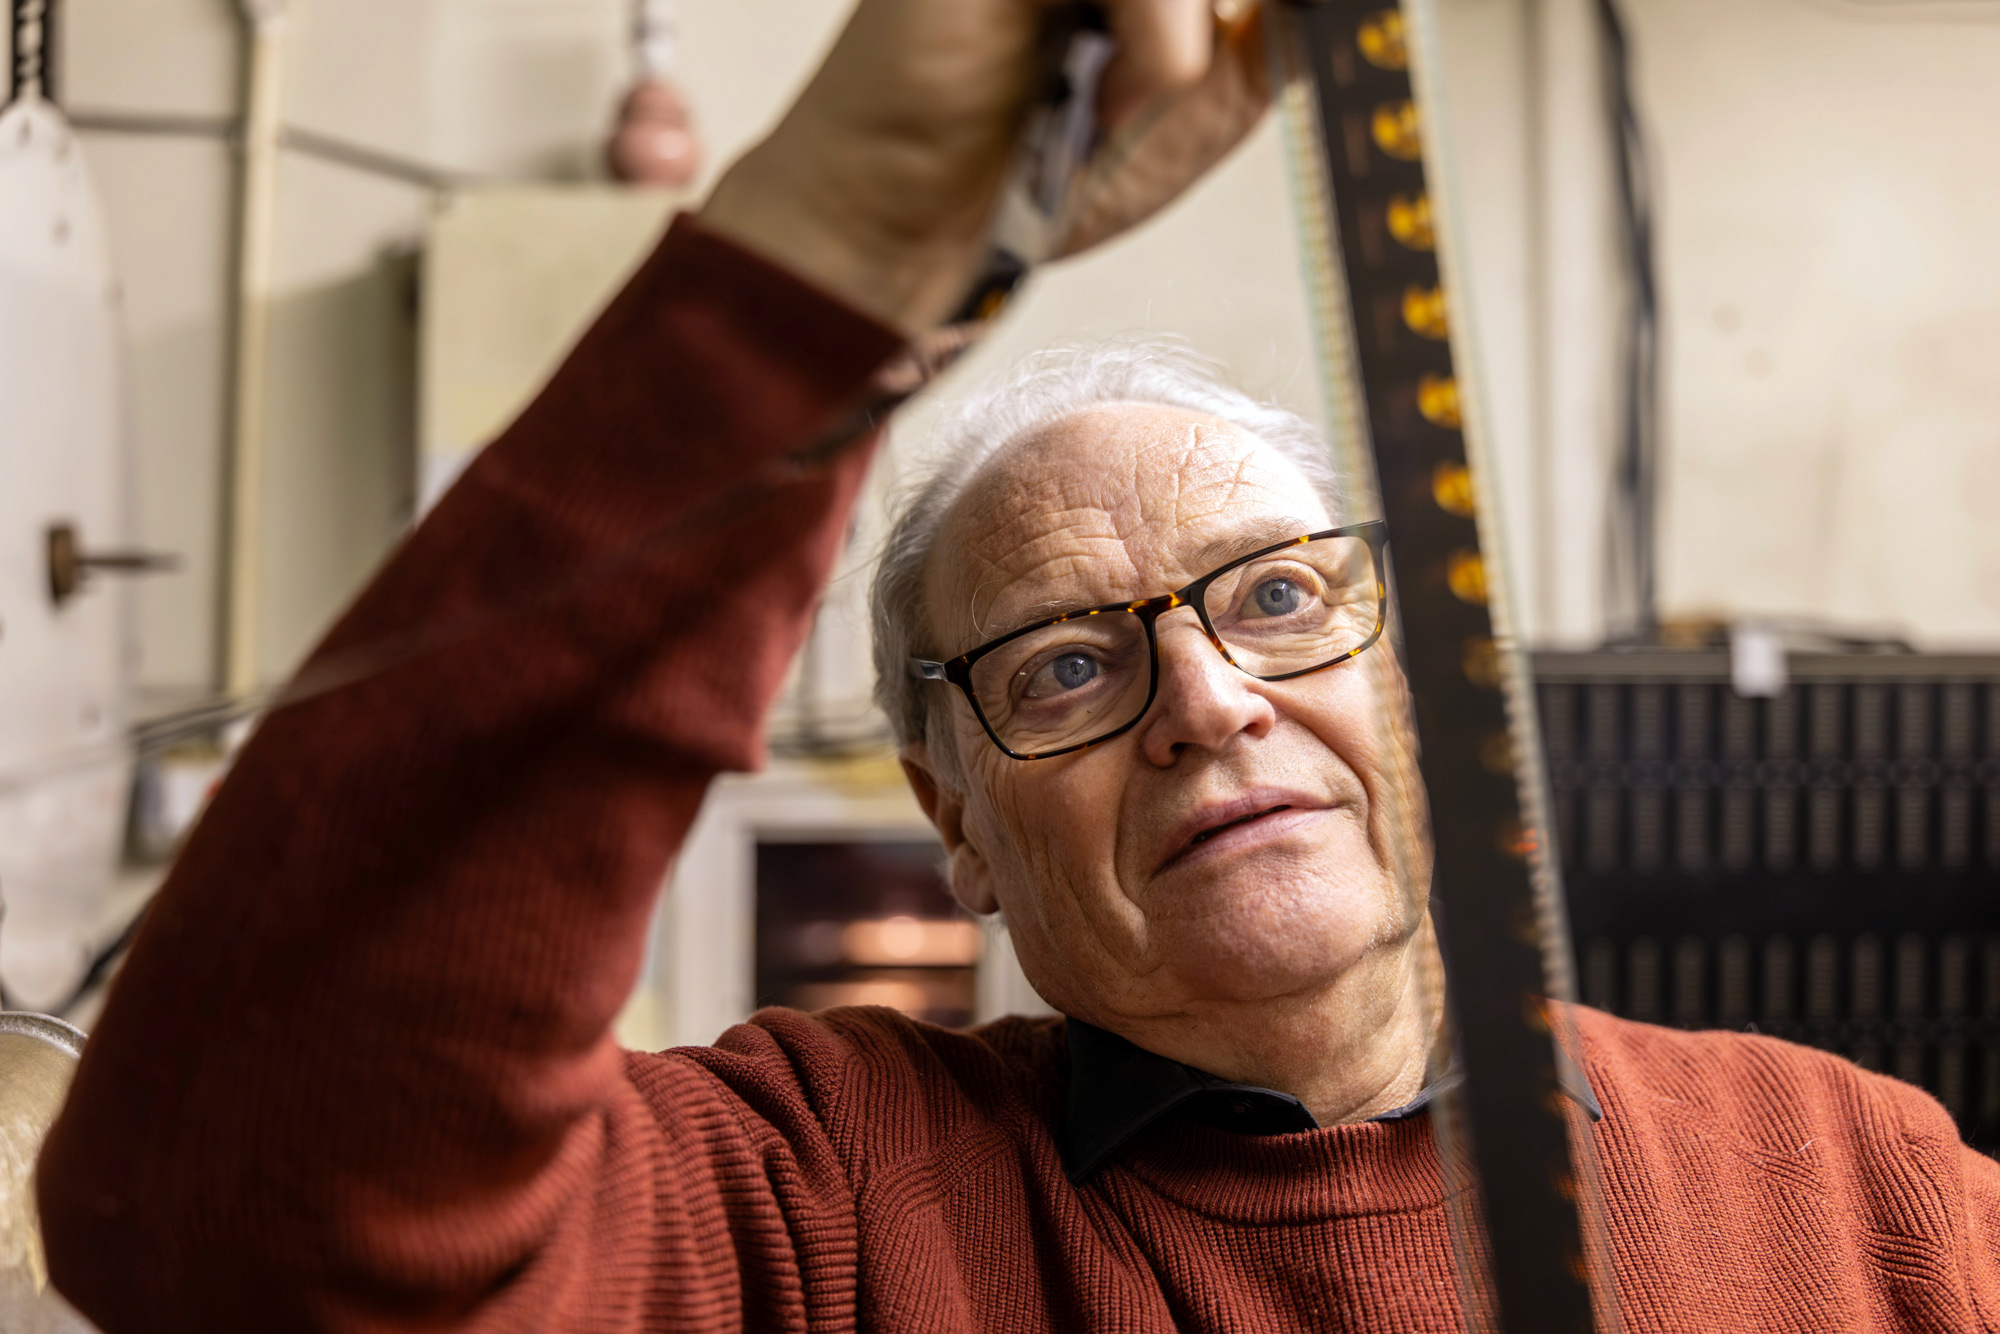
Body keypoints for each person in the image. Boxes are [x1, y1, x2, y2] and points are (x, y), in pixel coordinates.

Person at [38, 1, 2000, 1330]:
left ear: (1427, 691)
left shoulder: (1861, 1191)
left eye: (1281, 599)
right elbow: (226, 1211)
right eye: (1063, 671)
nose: (1208, 704)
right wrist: (840, 246)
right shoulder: (803, 1207)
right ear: (952, 822)